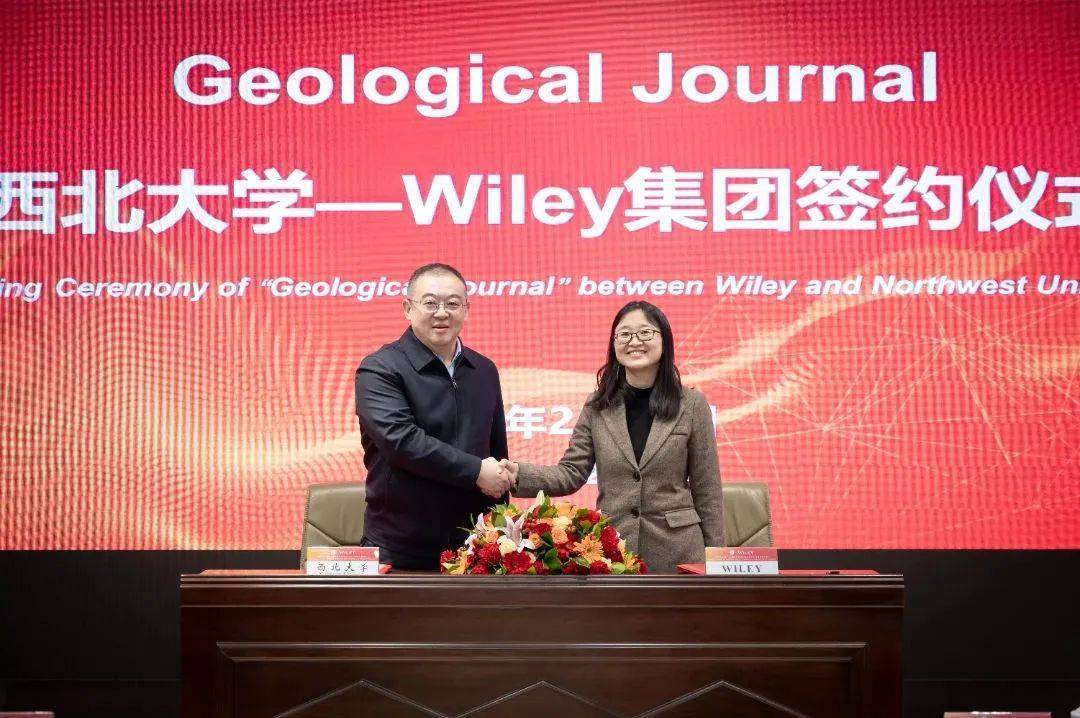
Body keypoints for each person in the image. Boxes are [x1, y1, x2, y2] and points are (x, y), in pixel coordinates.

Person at [506, 301, 724, 573]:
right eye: (625, 334)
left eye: (645, 332)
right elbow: (571, 472)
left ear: (664, 340)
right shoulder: (598, 405)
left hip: (679, 550)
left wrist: (718, 563)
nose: (635, 341)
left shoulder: (691, 405)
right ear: (614, 344)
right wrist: (517, 475)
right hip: (614, 548)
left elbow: (707, 489)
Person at [355, 263, 511, 570]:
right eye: (430, 303)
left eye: (452, 303)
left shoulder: (483, 369)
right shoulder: (379, 369)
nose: (442, 313)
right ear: (407, 308)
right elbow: (401, 442)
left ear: (466, 309)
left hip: (474, 547)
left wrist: (500, 517)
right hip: (401, 549)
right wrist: (477, 471)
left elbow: (495, 448)